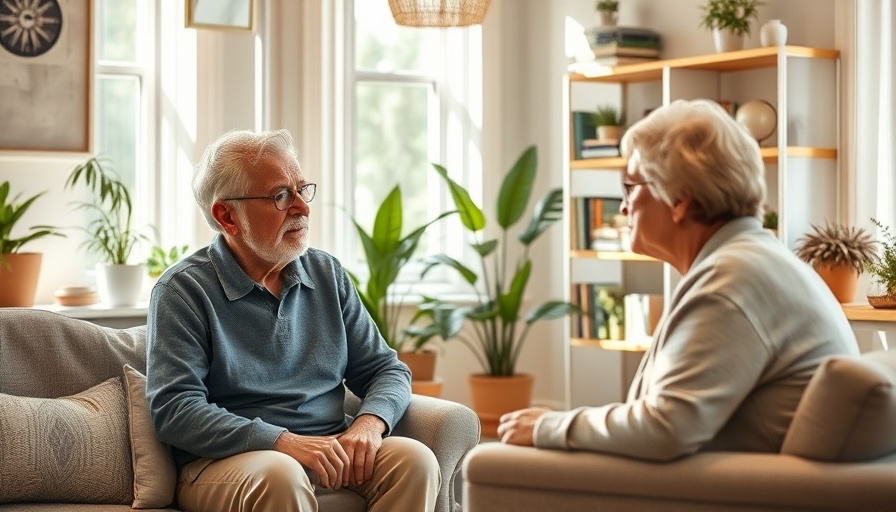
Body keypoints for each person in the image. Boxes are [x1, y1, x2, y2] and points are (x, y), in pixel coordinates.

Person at [497, 99, 859, 460]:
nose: (622, 208)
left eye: (631, 187)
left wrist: (550, 426)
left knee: (498, 462)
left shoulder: (730, 280)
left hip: (726, 494)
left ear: (679, 201)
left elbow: (664, 427)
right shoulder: (752, 259)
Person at [145, 128, 440, 511]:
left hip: (329, 447)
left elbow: (387, 369)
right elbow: (175, 409)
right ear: (227, 216)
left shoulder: (325, 273)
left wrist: (368, 425)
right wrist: (282, 442)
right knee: (280, 474)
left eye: (302, 189)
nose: (302, 207)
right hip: (229, 463)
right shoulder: (182, 291)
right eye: (281, 195)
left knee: (415, 461)